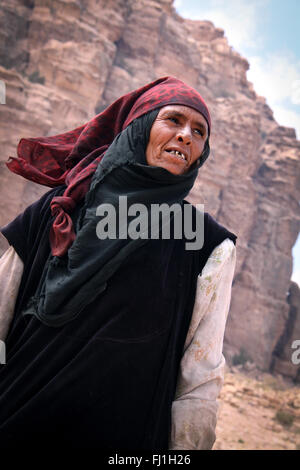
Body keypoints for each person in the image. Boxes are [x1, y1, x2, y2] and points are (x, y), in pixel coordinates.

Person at [0, 76, 237, 450]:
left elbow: (199, 379)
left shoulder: (206, 245)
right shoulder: (57, 210)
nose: (186, 136)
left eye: (199, 132)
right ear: (140, 126)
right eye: (173, 120)